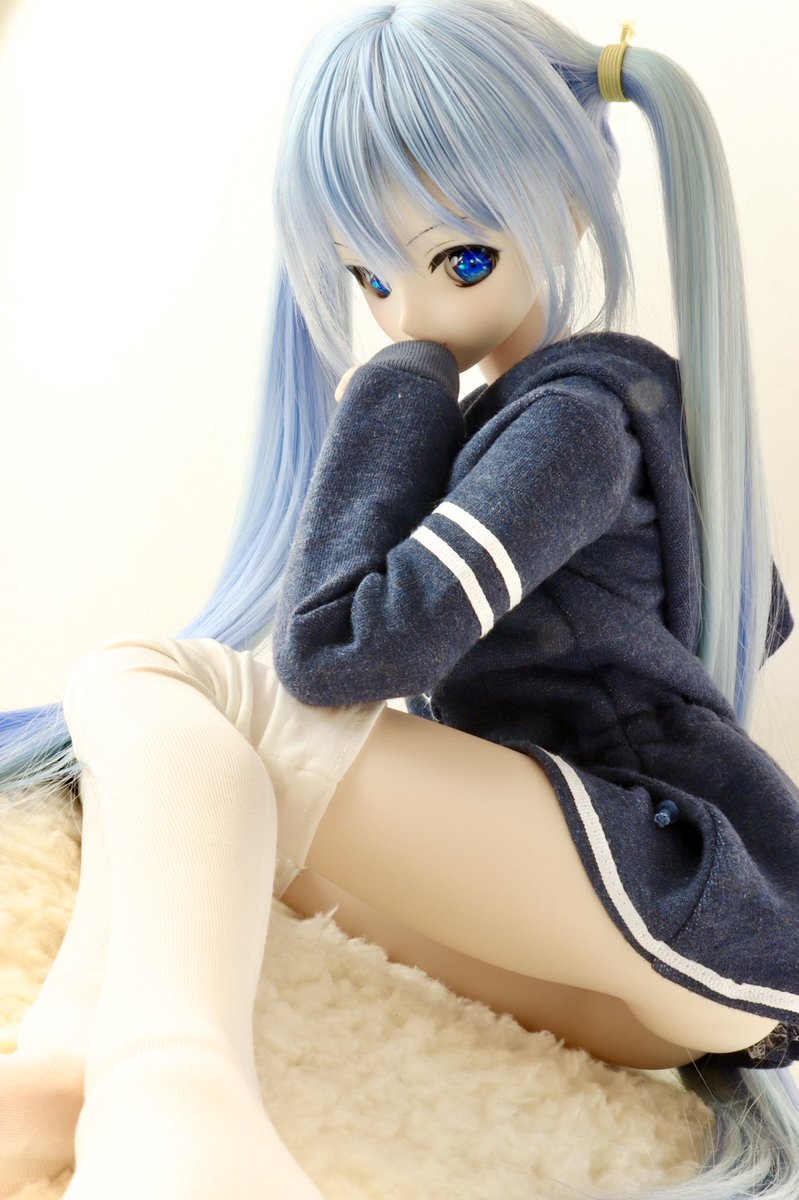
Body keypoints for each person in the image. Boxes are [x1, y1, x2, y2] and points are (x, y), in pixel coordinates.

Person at [2, 1, 799, 1196]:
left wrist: (393, 390)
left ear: (569, 203)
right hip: (642, 977)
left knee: (152, 676)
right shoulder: (608, 411)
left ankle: (172, 1086)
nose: (412, 312)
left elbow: (339, 655)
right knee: (192, 809)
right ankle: (73, 1059)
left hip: (666, 885)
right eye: (369, 278)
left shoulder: (572, 421)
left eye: (458, 261)